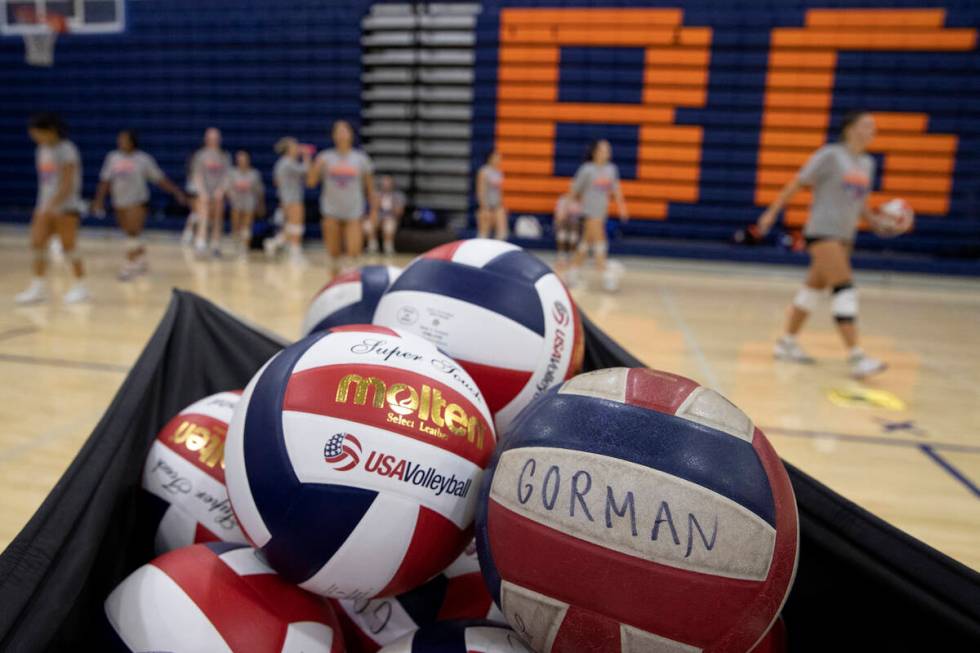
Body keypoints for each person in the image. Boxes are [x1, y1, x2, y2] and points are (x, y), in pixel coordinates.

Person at [757, 110, 896, 379]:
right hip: (822, 232)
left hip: (845, 236)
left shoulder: (867, 163)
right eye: (867, 125)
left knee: (812, 290)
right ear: (850, 129)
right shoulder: (831, 155)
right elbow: (796, 184)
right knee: (844, 287)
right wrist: (772, 212)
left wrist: (877, 223)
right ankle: (856, 356)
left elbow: (860, 203)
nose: (872, 131)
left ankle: (786, 342)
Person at [92, 129, 186, 280]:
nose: (120, 142)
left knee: (132, 232)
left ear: (132, 141)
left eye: (124, 139)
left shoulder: (143, 159)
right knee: (129, 232)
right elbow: (105, 181)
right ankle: (140, 260)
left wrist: (176, 191)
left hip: (137, 201)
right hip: (119, 201)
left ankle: (129, 265)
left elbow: (159, 179)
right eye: (119, 139)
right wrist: (99, 200)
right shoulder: (113, 158)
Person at [15, 113, 89, 304]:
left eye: (37, 133)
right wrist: (43, 206)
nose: (35, 137)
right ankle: (38, 287)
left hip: (66, 207)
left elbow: (67, 182)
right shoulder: (41, 150)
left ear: (50, 131)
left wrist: (53, 205)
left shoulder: (67, 150)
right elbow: (46, 183)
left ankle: (81, 286)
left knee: (68, 246)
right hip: (45, 205)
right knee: (37, 244)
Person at [307, 120, 377, 276]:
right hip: (331, 211)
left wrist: (373, 214)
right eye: (338, 131)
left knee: (354, 254)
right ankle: (334, 288)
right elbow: (311, 183)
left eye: (345, 131)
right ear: (333, 136)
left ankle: (351, 289)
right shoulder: (325, 157)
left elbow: (370, 190)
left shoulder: (361, 159)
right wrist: (313, 165)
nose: (342, 134)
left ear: (351, 135)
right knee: (334, 256)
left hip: (354, 212)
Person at [569, 139, 629, 291]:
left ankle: (572, 273)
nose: (608, 153)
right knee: (600, 242)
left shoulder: (611, 169)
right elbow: (575, 190)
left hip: (602, 212)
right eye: (604, 150)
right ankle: (605, 275)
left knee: (585, 243)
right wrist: (571, 206)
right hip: (589, 211)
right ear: (595, 152)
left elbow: (616, 189)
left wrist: (622, 207)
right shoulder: (586, 169)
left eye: (608, 150)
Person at [189, 127, 231, 257]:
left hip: (218, 192)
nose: (213, 141)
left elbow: (227, 176)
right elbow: (197, 175)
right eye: (211, 138)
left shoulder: (224, 156)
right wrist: (202, 192)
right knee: (204, 214)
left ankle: (216, 244)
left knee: (218, 217)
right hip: (204, 191)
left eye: (216, 138)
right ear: (206, 139)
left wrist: (221, 190)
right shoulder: (200, 155)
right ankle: (200, 243)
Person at [271, 137, 311, 263]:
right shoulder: (288, 162)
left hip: (288, 197)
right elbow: (305, 171)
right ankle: (294, 254)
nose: (297, 148)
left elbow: (276, 182)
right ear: (288, 150)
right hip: (292, 197)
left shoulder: (282, 163)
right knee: (296, 225)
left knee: (291, 226)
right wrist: (307, 156)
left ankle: (273, 243)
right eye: (295, 146)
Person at [226, 150, 265, 257]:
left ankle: (244, 247)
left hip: (249, 203)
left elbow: (259, 191)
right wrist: (230, 199)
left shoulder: (254, 174)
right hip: (236, 203)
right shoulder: (232, 173)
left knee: (247, 226)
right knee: (236, 225)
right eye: (240, 159)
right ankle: (235, 245)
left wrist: (261, 205)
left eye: (244, 159)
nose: (242, 161)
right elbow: (227, 189)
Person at [476, 150, 507, 239]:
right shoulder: (484, 171)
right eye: (496, 158)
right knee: (484, 232)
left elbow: (499, 192)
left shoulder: (499, 173)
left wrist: (500, 205)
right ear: (490, 158)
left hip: (496, 206)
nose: (498, 160)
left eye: (499, 158)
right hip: (486, 206)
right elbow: (480, 191)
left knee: (502, 232)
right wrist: (484, 207)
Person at [376, 175, 406, 256]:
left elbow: (400, 213)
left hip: (391, 218)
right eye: (384, 183)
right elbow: (372, 210)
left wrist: (393, 204)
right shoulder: (376, 194)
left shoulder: (399, 196)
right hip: (377, 218)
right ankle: (372, 246)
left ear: (392, 184)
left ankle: (388, 247)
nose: (386, 185)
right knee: (368, 225)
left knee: (389, 226)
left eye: (388, 183)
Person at [553, 192, 583, 273]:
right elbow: (559, 216)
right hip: (563, 223)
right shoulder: (563, 200)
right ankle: (562, 254)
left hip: (576, 225)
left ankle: (571, 254)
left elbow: (582, 217)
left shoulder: (582, 201)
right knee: (562, 231)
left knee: (574, 228)